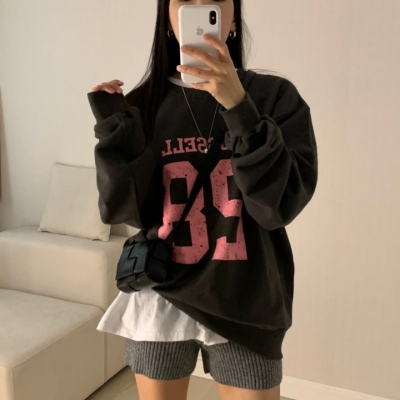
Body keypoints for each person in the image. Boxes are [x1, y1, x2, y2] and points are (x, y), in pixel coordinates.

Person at [87, 1, 318, 399]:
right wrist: (115, 129)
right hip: (161, 293)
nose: (198, 4)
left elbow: (278, 206)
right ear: (167, 17)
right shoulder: (143, 102)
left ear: (233, 16)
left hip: (247, 299)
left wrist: (239, 108)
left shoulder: (274, 97)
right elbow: (129, 212)